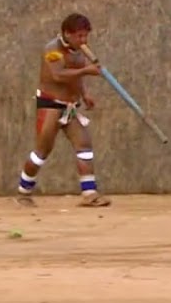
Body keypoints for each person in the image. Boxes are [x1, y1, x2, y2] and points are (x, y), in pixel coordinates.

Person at [15, 13, 110, 208]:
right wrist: (86, 71)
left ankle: (89, 193)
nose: (83, 40)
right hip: (50, 105)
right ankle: (24, 191)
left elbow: (76, 78)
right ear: (67, 34)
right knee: (42, 151)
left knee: (84, 146)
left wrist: (84, 95)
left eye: (85, 36)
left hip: (70, 107)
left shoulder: (79, 51)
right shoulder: (53, 50)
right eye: (79, 36)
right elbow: (58, 75)